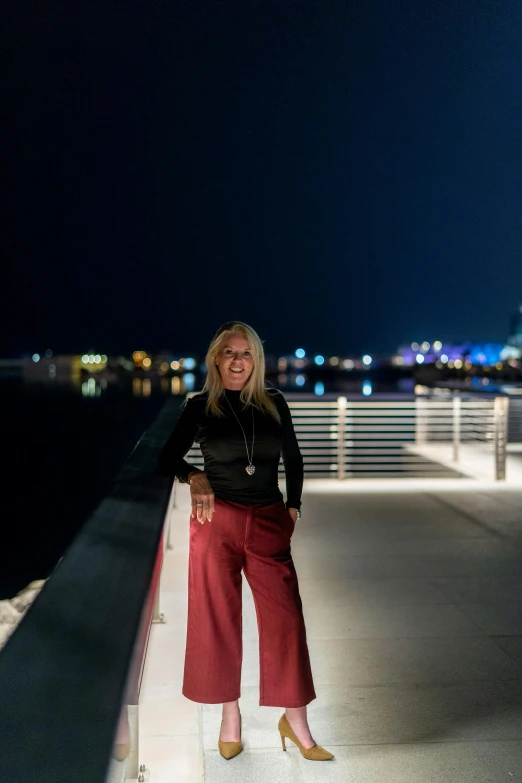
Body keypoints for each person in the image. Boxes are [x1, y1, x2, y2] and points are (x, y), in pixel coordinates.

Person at [157, 320, 334, 761]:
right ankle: (229, 716)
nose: (238, 361)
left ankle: (295, 721)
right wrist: (194, 475)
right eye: (230, 353)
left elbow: (293, 456)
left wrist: (293, 506)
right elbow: (166, 457)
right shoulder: (200, 406)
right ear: (216, 359)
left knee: (287, 620)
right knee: (217, 620)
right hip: (216, 522)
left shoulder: (273, 402)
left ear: (256, 360)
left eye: (247, 353)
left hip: (269, 520)